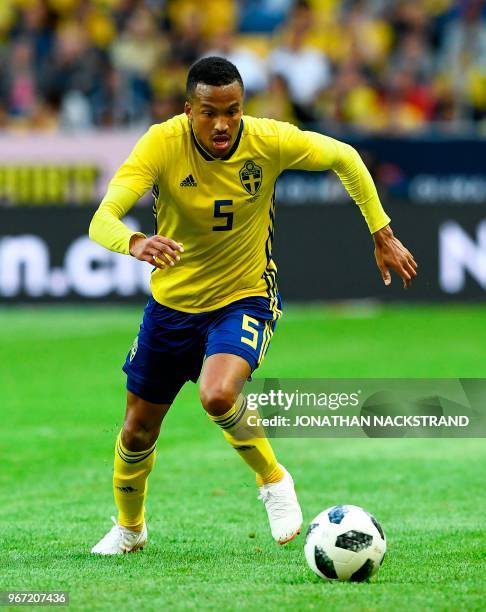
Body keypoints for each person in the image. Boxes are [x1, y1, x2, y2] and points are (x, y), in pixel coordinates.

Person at [89, 56, 417, 555]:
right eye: (209, 112)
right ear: (188, 110)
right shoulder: (162, 143)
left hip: (243, 296)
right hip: (172, 307)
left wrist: (382, 231)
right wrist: (133, 241)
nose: (222, 123)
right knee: (136, 430)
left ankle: (273, 480)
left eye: (232, 110)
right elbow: (102, 218)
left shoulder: (268, 139)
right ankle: (130, 530)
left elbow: (346, 158)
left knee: (217, 394)